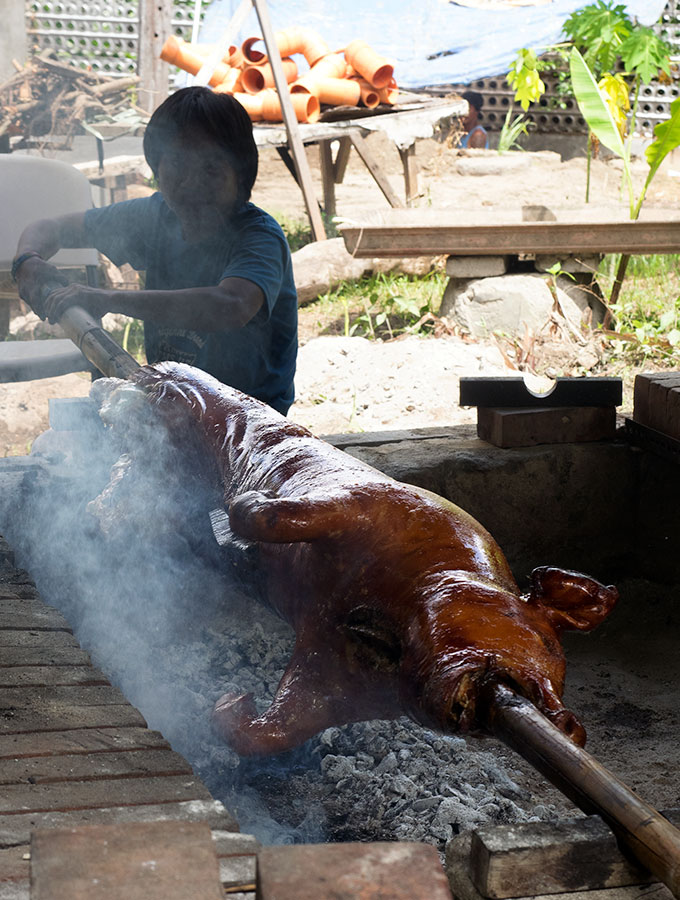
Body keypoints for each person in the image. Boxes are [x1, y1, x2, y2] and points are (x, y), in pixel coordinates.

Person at [12, 86, 298, 416]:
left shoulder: (259, 237)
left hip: (249, 422)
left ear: (242, 175)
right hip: (173, 412)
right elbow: (50, 228)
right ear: (156, 169)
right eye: (177, 162)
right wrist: (27, 261)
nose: (192, 184)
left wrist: (107, 298)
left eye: (211, 168)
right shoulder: (153, 217)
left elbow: (230, 305)